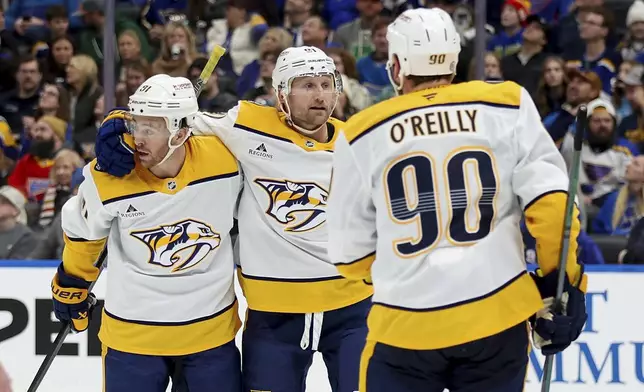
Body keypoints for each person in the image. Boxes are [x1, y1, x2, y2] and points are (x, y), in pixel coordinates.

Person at [327, 8, 588, 392]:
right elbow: (552, 206)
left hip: (405, 328)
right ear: (454, 57)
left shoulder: (361, 132)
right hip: (497, 319)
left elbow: (348, 255)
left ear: (396, 66)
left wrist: (397, 268)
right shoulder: (506, 103)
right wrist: (562, 284)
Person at [92, 46, 373, 392]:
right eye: (307, 85)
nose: (320, 96)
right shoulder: (246, 125)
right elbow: (175, 120)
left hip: (351, 310)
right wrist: (119, 124)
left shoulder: (360, 143)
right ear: (281, 93)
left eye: (326, 84)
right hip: (274, 318)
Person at [51, 74, 242, 392]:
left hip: (210, 336)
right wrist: (71, 284)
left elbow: (257, 130)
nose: (137, 138)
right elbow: (83, 234)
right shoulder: (110, 176)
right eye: (134, 124)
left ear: (181, 134)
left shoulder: (227, 161)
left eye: (151, 128)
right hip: (132, 339)